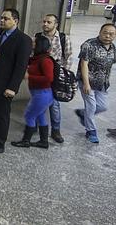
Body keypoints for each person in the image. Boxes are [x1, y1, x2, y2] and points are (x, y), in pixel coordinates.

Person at [0, 9, 32, 157]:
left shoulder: (23, 40)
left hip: (6, 84)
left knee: (2, 114)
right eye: (2, 18)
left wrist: (12, 87)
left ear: (15, 21)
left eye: (6, 18)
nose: (2, 21)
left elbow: (21, 66)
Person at [75, 23, 116, 143]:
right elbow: (84, 64)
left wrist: (107, 81)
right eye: (105, 32)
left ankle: (83, 114)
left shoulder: (112, 47)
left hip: (102, 83)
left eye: (111, 34)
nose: (108, 36)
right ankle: (91, 131)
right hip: (87, 81)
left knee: (103, 106)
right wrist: (86, 83)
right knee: (91, 106)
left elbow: (109, 66)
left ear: (115, 35)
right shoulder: (89, 45)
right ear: (100, 32)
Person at [11, 36, 55, 149]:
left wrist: (30, 77)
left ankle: (26, 141)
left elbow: (49, 78)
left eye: (34, 42)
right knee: (40, 116)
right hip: (39, 94)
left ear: (40, 45)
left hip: (43, 94)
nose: (32, 43)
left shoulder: (46, 60)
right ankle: (44, 141)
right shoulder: (37, 58)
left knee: (29, 115)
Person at [35, 14, 72, 143]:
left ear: (55, 24)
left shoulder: (63, 38)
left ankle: (55, 130)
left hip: (56, 75)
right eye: (44, 21)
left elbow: (68, 56)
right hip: (41, 74)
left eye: (49, 22)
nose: (45, 24)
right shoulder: (38, 37)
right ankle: (34, 125)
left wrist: (64, 74)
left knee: (54, 104)